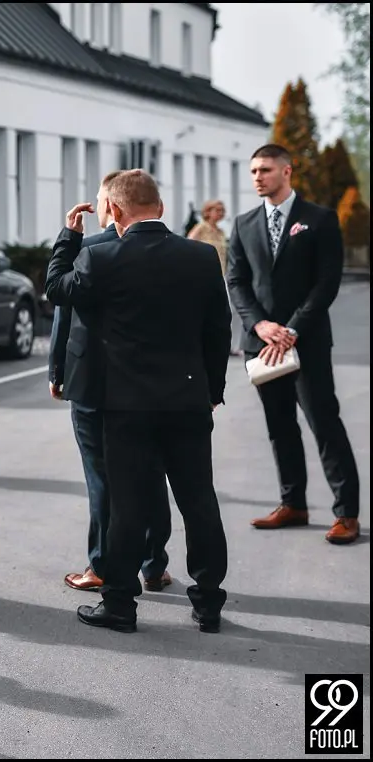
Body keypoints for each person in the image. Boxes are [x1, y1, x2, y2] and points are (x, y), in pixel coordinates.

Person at [46, 169, 231, 634]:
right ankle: (208, 603)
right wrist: (212, 391)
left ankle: (121, 606)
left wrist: (69, 237)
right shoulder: (201, 256)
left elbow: (56, 289)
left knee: (127, 506)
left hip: (125, 405)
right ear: (162, 208)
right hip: (188, 400)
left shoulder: (101, 257)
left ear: (114, 210)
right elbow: (218, 330)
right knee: (199, 502)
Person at [226, 143, 361, 545]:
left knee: (324, 424)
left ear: (287, 171)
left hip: (307, 342)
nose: (257, 177)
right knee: (279, 426)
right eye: (253, 171)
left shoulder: (319, 219)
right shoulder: (244, 223)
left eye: (265, 170)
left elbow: (327, 282)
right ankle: (293, 504)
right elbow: (237, 281)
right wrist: (260, 325)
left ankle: (346, 513)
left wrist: (293, 329)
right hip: (263, 345)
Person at [48, 171, 173, 594]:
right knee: (151, 473)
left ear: (109, 206)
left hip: (94, 382)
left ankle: (101, 564)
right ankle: (154, 563)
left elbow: (62, 313)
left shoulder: (89, 250)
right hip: (152, 385)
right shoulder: (169, 251)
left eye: (101, 200)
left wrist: (56, 371)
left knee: (101, 476)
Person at [188, 199, 242, 355]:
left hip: (222, 274)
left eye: (222, 210)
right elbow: (188, 248)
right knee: (204, 311)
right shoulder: (200, 229)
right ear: (208, 212)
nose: (221, 213)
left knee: (232, 309)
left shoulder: (221, 231)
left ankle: (232, 345)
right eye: (217, 210)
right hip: (202, 276)